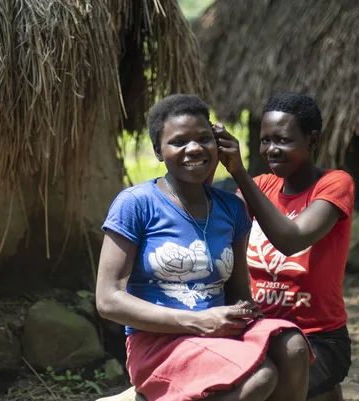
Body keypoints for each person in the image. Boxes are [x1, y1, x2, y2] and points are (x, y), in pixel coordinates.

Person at [95, 94, 313, 401]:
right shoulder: (136, 204)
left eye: (203, 138)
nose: (194, 148)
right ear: (159, 151)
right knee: (260, 378)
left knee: (292, 346)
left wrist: (242, 311)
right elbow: (107, 301)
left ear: (218, 143)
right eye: (179, 141)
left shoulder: (231, 209)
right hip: (159, 343)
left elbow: (237, 292)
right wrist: (198, 321)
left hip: (218, 334)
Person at [214, 92, 354, 401]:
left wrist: (238, 171)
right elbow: (218, 227)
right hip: (261, 331)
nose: (270, 150)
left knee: (268, 381)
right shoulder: (262, 186)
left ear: (312, 139)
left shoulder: (334, 184)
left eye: (283, 140)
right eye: (265, 141)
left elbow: (291, 240)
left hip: (319, 338)